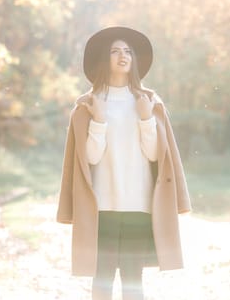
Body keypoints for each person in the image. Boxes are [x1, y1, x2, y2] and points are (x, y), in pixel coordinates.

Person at [56, 26, 192, 300]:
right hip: (101, 208)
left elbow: (155, 155)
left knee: (133, 281)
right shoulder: (87, 105)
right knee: (102, 280)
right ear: (103, 59)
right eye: (115, 51)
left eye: (128, 51)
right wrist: (99, 120)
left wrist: (145, 118)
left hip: (139, 207)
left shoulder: (149, 102)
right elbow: (90, 159)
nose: (123, 56)